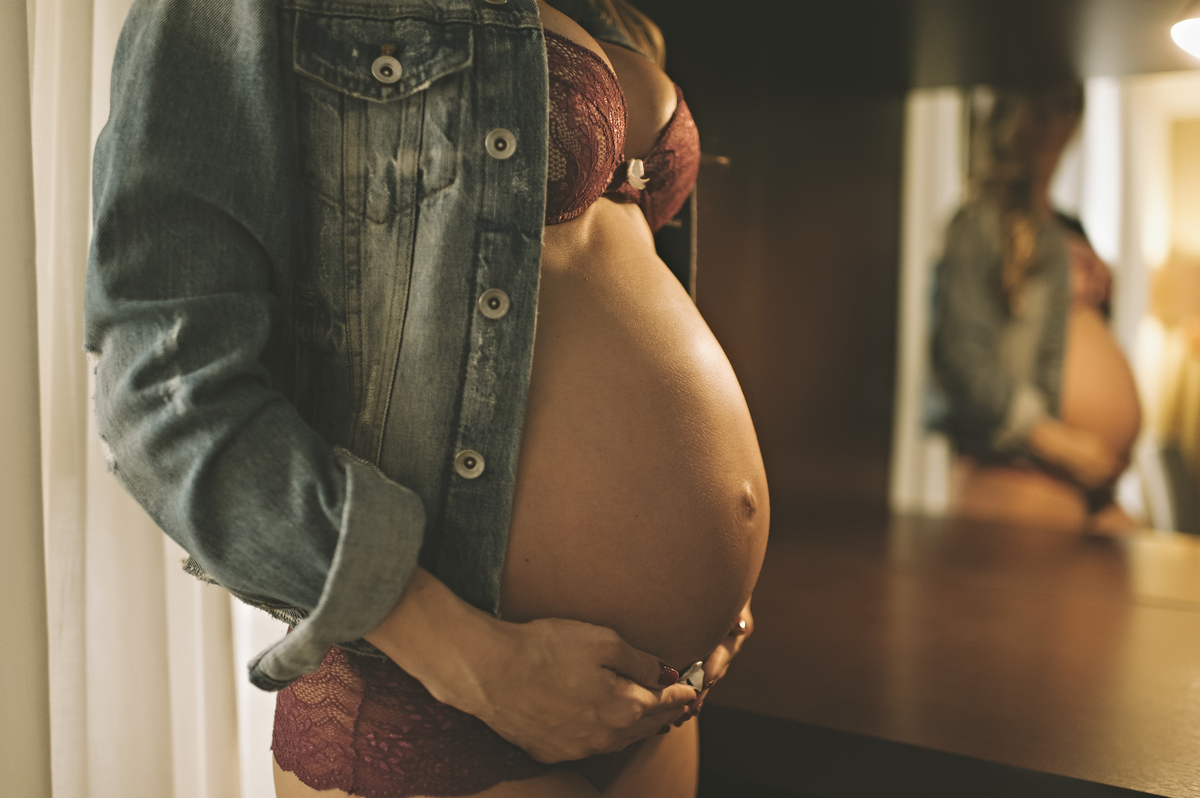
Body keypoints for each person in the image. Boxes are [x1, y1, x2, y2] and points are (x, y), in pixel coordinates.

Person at [84, 0, 770, 794]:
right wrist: (477, 665)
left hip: (657, 692)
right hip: (452, 688)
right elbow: (165, 393)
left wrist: (710, 592)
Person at [932, 82, 1141, 535]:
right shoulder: (980, 222)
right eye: (1041, 108)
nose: (1055, 123)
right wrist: (1059, 443)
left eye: (1068, 106)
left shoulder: (1069, 227)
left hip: (1087, 490)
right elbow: (960, 358)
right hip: (1020, 472)